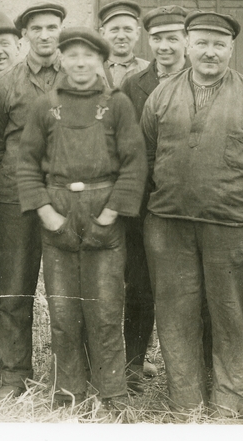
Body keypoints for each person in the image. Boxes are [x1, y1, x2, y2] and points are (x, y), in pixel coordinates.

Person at [141, 11, 243, 417]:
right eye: (202, 43)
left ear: (231, 49)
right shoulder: (162, 95)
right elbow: (147, 155)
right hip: (169, 224)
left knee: (232, 315)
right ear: (188, 45)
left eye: (219, 45)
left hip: (232, 226)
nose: (210, 52)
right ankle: (185, 403)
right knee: (175, 315)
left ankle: (230, 405)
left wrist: (238, 199)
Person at [15, 27, 146, 406]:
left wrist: (111, 212)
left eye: (88, 56)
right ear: (62, 60)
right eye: (72, 55)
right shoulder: (45, 106)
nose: (81, 63)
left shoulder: (117, 105)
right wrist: (45, 211)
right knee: (63, 313)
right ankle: (68, 393)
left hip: (103, 211)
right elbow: (26, 163)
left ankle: (113, 395)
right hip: (57, 212)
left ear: (101, 61)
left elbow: (134, 164)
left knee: (106, 311)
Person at [0, 1, 66, 398]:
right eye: (37, 29)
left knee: (66, 292)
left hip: (65, 198)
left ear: (61, 30)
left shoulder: (80, 77)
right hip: (14, 199)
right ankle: (13, 376)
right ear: (24, 36)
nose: (45, 35)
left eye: (52, 27)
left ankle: (69, 376)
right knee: (14, 289)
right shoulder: (3, 85)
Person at [118, 4, 188, 389]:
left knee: (185, 288)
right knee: (139, 285)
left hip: (188, 203)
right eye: (158, 38)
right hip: (144, 204)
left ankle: (186, 369)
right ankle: (133, 363)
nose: (165, 46)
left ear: (186, 41)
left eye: (173, 38)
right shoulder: (133, 86)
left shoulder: (201, 79)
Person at [98, 0, 149, 88]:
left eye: (127, 29)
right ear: (102, 34)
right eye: (114, 30)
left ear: (137, 33)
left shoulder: (149, 70)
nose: (121, 36)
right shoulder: (91, 70)